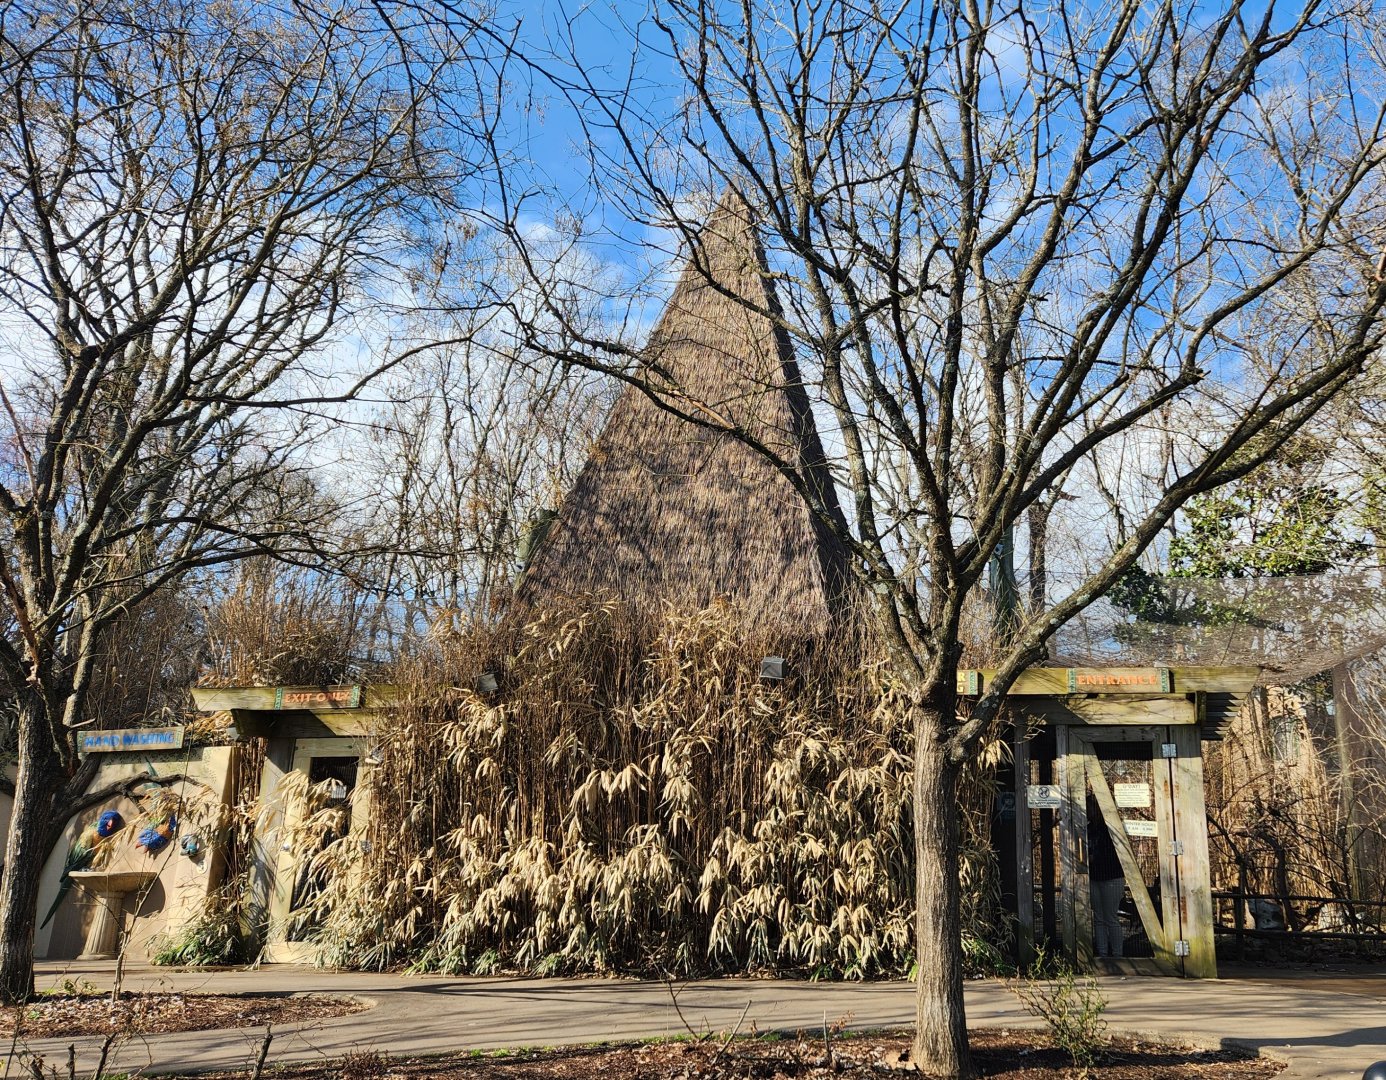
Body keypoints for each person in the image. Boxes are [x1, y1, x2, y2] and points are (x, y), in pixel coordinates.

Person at [1087, 794, 1125, 957]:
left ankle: (1117, 955)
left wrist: (1093, 857)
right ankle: (1102, 954)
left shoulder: (1111, 828)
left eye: (1089, 807)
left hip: (1112, 876)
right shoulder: (1088, 828)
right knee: (1099, 918)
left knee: (1110, 917)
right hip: (1094, 877)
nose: (1086, 811)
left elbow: (1112, 853)